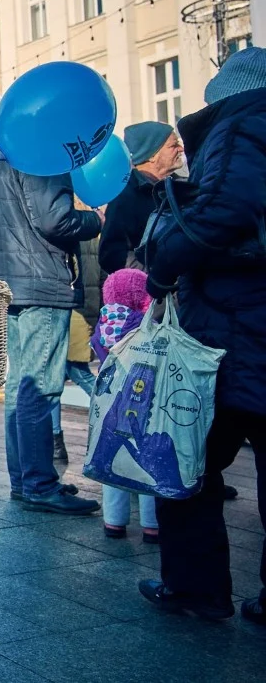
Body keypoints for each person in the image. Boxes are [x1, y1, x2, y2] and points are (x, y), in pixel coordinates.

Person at [137, 47, 266, 624]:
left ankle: (195, 589)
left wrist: (164, 266)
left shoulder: (243, 122)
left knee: (186, 457)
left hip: (233, 325)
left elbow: (222, 209)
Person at [0, 146, 102, 515]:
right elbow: (55, 221)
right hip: (43, 283)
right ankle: (38, 484)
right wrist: (95, 220)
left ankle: (25, 480)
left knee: (21, 386)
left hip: (14, 281)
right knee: (39, 387)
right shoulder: (40, 153)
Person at [88, 268, 158, 543]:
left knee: (112, 461)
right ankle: (152, 525)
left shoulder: (104, 325)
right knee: (147, 460)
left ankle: (114, 522)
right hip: (144, 403)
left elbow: (97, 347)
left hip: (111, 406)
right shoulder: (143, 323)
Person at [97, 122, 185, 275]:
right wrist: (155, 274)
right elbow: (111, 254)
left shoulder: (184, 188)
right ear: (151, 155)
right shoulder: (125, 194)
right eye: (173, 145)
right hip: (152, 293)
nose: (181, 149)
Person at [52, 311, 96, 463]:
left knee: (79, 374)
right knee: (51, 387)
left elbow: (91, 299)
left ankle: (116, 407)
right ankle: (55, 442)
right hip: (69, 320)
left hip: (72, 321)